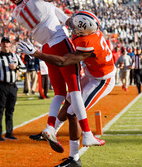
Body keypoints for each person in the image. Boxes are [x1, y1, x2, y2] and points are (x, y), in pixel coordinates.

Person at [5, 0, 103, 150]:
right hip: (58, 41)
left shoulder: (16, 13)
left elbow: (49, 9)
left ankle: (50, 126)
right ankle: (87, 133)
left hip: (46, 48)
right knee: (75, 91)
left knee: (59, 93)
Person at [17, 10, 115, 167]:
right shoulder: (87, 30)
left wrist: (36, 53)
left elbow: (62, 61)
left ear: (83, 30)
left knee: (73, 112)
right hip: (92, 74)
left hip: (101, 80)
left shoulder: (88, 43)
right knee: (68, 104)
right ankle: (50, 131)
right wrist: (48, 6)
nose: (72, 27)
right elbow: (65, 18)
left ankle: (74, 158)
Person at [0, 37, 27, 141]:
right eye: (3, 43)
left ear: (10, 45)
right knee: (0, 110)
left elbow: (24, 69)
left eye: (7, 43)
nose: (5, 45)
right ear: (0, 45)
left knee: (10, 110)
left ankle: (9, 133)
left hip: (13, 86)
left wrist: (16, 67)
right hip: (1, 86)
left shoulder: (15, 56)